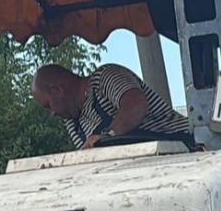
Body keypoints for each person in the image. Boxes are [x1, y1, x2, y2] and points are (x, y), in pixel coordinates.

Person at [31, 63, 196, 149]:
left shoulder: (104, 77)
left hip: (187, 147)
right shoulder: (73, 123)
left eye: (48, 105)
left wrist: (109, 135)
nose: (52, 113)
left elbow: (136, 104)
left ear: (57, 90)